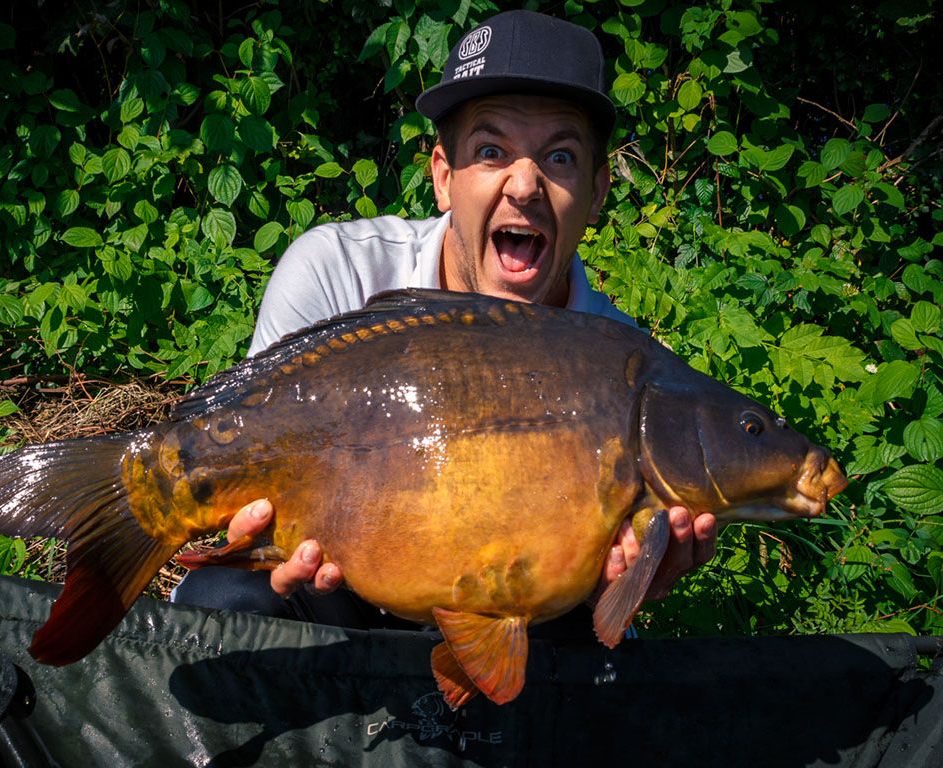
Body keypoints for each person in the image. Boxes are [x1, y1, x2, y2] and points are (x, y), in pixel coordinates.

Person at [173, 10, 716, 633]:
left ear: (595, 193)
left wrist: (625, 582)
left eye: (559, 157)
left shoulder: (621, 364)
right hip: (334, 581)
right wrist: (256, 538)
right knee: (228, 601)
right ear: (442, 177)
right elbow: (244, 447)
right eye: (491, 152)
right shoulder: (336, 274)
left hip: (523, 606)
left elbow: (610, 583)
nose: (524, 184)